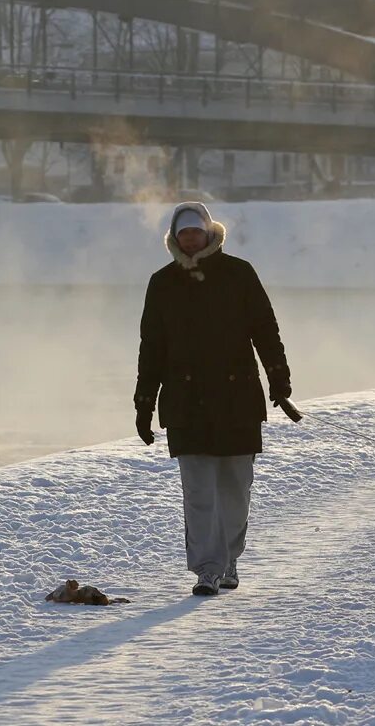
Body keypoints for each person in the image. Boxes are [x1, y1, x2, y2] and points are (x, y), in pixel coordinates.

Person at [133, 201, 292, 596]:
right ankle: (208, 567)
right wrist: (143, 403)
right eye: (183, 234)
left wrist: (279, 377)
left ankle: (230, 558)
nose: (190, 239)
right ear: (175, 237)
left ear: (208, 233)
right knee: (199, 490)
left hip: (236, 396)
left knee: (235, 486)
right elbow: (151, 347)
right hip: (185, 401)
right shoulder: (162, 282)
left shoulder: (239, 274)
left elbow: (265, 329)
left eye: (196, 232)